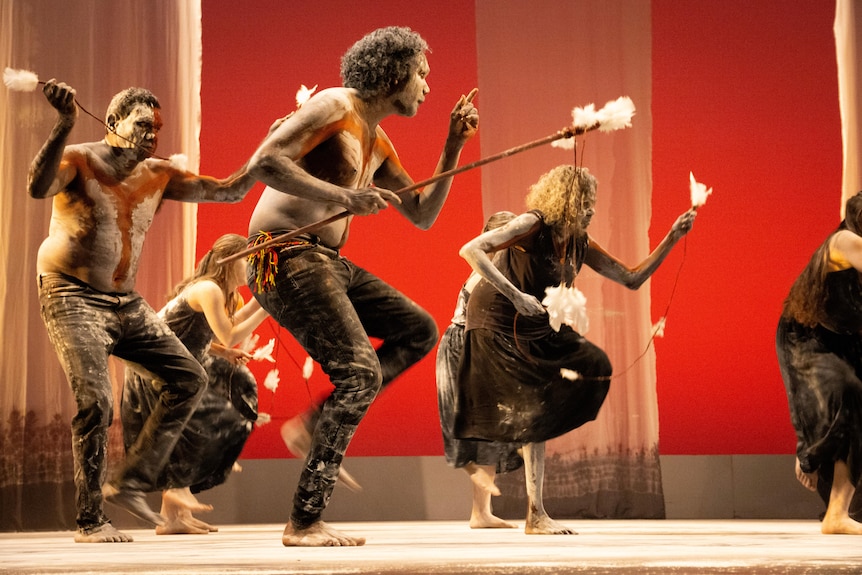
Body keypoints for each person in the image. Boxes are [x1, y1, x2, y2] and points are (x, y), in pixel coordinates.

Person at [245, 26, 478, 546]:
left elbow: (422, 214)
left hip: (325, 260)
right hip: (282, 254)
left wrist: (453, 145)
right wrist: (344, 197)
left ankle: (313, 424)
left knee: (418, 329)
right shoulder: (334, 104)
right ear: (393, 72)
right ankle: (304, 522)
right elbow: (264, 161)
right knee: (359, 371)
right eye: (421, 73)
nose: (426, 85)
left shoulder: (377, 138)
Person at [29, 80, 261, 543]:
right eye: (142, 126)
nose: (153, 136)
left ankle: (130, 479)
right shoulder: (80, 159)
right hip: (70, 293)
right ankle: (90, 520)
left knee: (189, 378)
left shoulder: (159, 175)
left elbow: (230, 191)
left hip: (126, 302)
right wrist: (63, 125)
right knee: (96, 401)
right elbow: (38, 186)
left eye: (157, 128)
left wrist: (270, 149)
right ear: (112, 124)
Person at [456, 164, 696, 534]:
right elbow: (472, 249)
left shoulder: (580, 242)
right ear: (563, 200)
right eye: (584, 201)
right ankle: (535, 514)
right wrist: (516, 295)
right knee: (533, 410)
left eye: (593, 202)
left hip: (537, 326)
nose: (591, 209)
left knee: (592, 362)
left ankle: (535, 508)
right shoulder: (532, 224)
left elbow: (631, 278)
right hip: (497, 322)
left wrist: (672, 237)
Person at [121, 233, 271, 535]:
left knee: (229, 390)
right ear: (230, 263)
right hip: (155, 369)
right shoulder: (208, 289)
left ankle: (174, 519)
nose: (252, 268)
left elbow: (203, 333)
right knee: (197, 422)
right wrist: (270, 308)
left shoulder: (223, 294)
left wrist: (264, 300)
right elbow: (228, 333)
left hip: (178, 366)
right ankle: (177, 485)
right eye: (248, 261)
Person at [776, 191, 862, 535]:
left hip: (846, 338)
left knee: (856, 403)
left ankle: (836, 512)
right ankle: (812, 454)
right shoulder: (844, 240)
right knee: (848, 391)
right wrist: (807, 449)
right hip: (805, 336)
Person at [436, 211, 523, 529]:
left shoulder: (506, 269)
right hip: (464, 344)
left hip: (486, 346)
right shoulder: (484, 269)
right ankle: (470, 466)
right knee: (467, 419)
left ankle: (480, 513)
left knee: (491, 428)